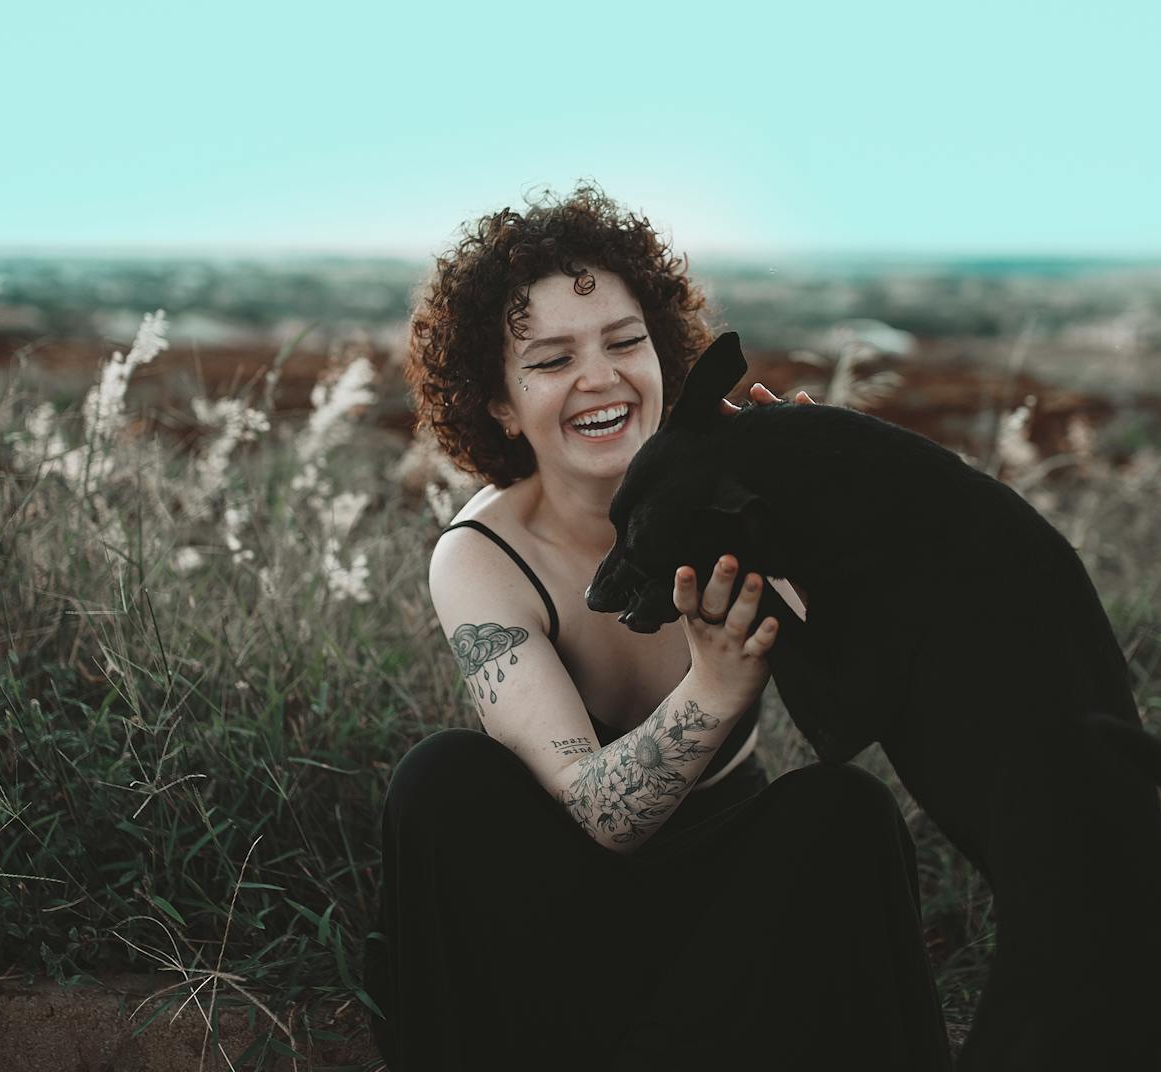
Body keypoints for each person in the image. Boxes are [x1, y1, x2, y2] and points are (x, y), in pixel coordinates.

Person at [365, 185, 952, 1070]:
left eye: (624, 342)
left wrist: (825, 491)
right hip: (557, 940)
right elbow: (602, 816)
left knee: (847, 814)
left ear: (664, 355)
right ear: (498, 402)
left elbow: (884, 677)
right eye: (551, 359)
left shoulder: (742, 495)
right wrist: (713, 690)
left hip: (728, 924)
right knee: (440, 782)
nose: (600, 378)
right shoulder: (483, 554)